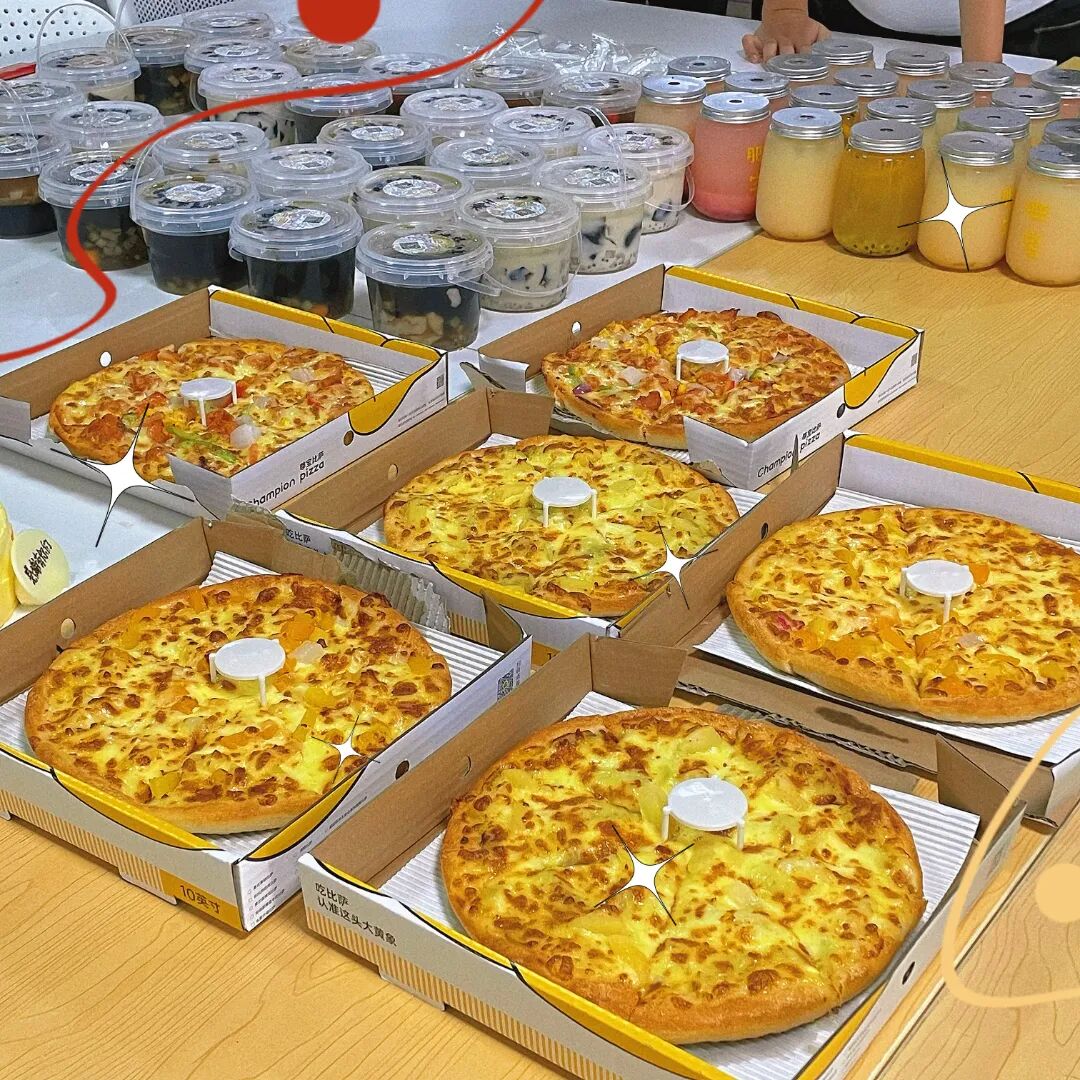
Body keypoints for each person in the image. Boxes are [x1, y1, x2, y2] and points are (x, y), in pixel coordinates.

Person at [743, 0, 1080, 63]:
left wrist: (983, 70)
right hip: (851, 17)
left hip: (1026, 25)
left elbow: (984, 79)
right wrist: (785, 10)